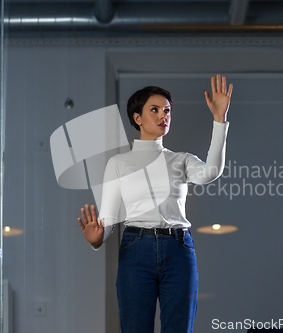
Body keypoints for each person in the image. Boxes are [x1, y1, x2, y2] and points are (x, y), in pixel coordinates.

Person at [77, 74, 233, 333]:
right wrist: (97, 238)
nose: (164, 115)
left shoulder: (180, 160)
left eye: (168, 110)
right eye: (155, 109)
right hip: (135, 249)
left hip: (178, 248)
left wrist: (219, 119)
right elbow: (108, 219)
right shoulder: (118, 164)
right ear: (137, 118)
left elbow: (211, 172)